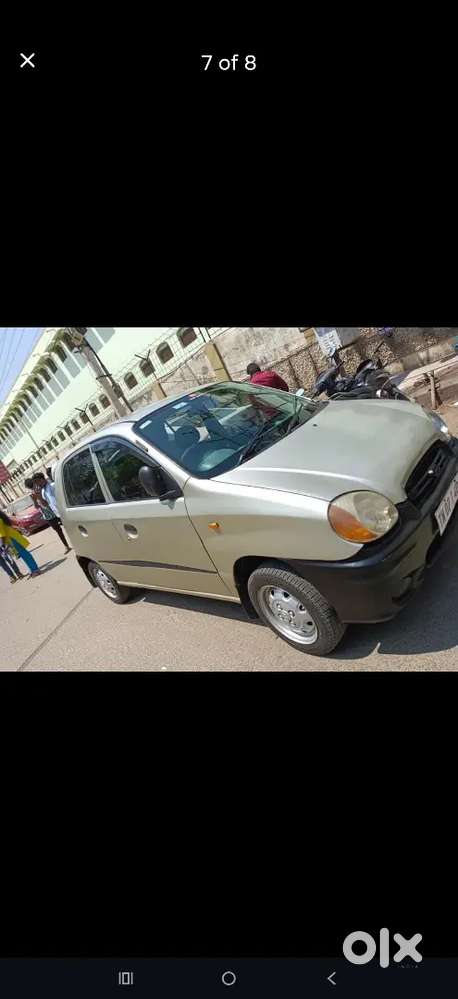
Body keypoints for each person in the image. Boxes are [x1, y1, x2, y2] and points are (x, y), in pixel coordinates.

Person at [30, 473, 72, 553]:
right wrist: (38, 497)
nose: (37, 484)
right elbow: (46, 504)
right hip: (57, 514)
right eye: (35, 483)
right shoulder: (42, 491)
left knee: (71, 528)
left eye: (37, 481)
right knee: (61, 530)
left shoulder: (52, 486)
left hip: (64, 511)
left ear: (42, 479)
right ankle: (67, 546)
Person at [0, 510, 41, 578]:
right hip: (12, 537)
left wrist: (2, 544)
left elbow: (2, 534)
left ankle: (35, 570)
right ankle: (33, 569)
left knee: (24, 554)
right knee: (23, 554)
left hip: (12, 538)